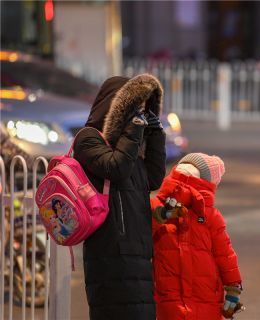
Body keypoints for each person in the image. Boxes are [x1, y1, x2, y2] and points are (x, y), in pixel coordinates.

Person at [73, 74, 166, 320]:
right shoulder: (88, 138)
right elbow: (116, 168)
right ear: (115, 107)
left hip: (139, 246)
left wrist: (155, 134)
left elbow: (153, 179)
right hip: (110, 248)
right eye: (132, 109)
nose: (137, 116)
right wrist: (134, 130)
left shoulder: (129, 146)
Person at [150, 153, 243, 320]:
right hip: (201, 294)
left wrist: (233, 286)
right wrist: (232, 287)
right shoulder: (160, 209)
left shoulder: (208, 216)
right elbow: (225, 255)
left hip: (173, 296)